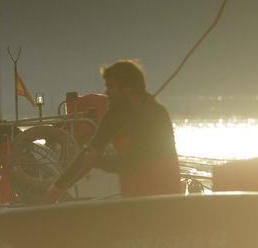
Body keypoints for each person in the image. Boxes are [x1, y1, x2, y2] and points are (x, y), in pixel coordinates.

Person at [44, 60, 182, 202]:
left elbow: (132, 161)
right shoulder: (115, 114)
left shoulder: (155, 114)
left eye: (111, 86)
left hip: (164, 197)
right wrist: (58, 188)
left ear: (127, 87)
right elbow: (90, 151)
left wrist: (97, 161)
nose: (106, 92)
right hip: (133, 197)